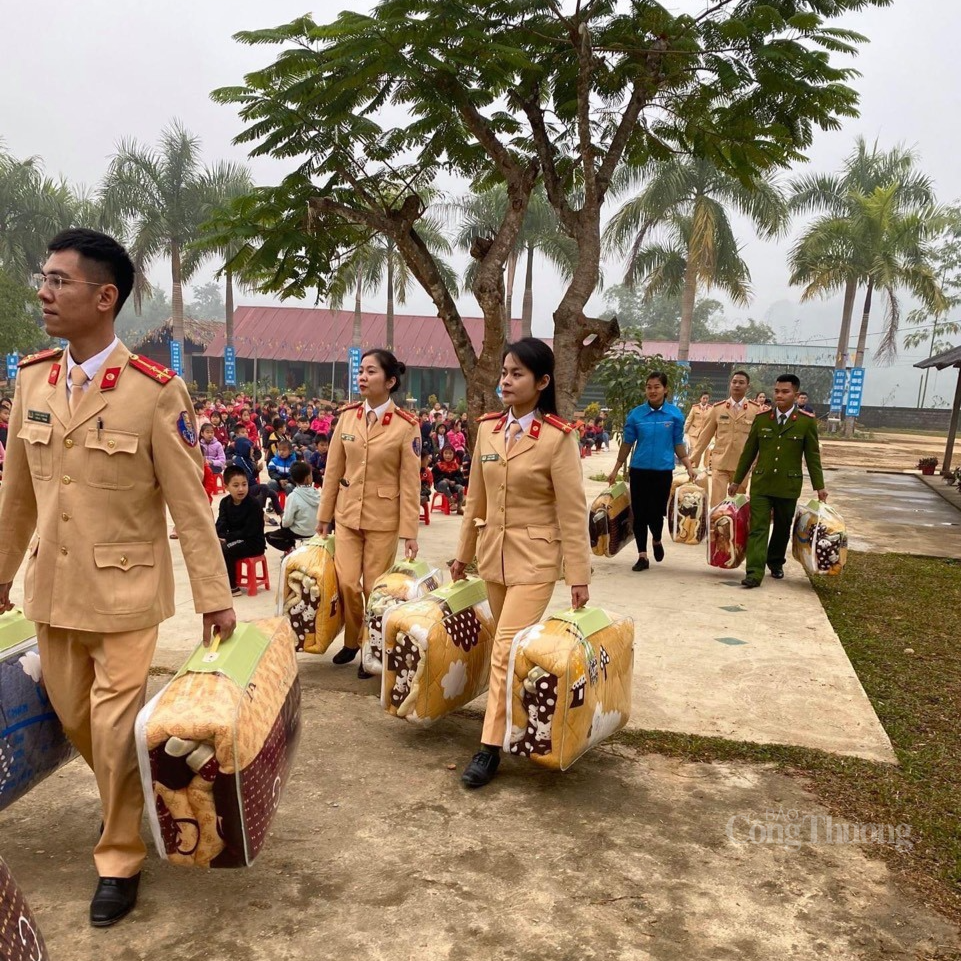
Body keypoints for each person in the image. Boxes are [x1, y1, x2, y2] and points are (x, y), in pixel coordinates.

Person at [0, 228, 235, 927]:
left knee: (110, 728)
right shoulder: (33, 378)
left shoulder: (156, 391)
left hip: (128, 594)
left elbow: (191, 505)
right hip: (53, 592)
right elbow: (17, 495)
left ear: (105, 298)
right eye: (43, 278)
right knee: (80, 720)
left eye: (59, 281)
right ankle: (128, 800)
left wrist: (216, 599)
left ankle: (120, 855)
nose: (43, 292)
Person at [452, 337, 591, 789]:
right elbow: (476, 498)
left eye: (516, 374)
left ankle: (489, 747)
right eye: (504, 373)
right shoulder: (488, 430)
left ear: (542, 381)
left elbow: (572, 511)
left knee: (505, 648)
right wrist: (463, 554)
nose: (506, 381)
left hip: (536, 561)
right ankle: (520, 721)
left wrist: (579, 575)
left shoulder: (557, 438)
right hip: (493, 557)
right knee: (508, 651)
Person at [316, 348, 421, 679]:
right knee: (347, 582)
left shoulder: (406, 427)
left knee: (374, 590)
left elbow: (410, 482)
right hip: (347, 515)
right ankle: (352, 640)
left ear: (390, 381)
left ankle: (370, 649)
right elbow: (333, 470)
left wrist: (410, 533)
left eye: (371, 372)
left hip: (383, 519)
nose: (362, 376)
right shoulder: (348, 417)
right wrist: (324, 515)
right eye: (361, 371)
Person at [730, 373, 827, 588]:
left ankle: (775, 561)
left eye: (785, 392)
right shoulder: (763, 418)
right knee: (758, 527)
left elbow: (812, 457)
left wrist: (819, 487)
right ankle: (754, 571)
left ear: (796, 394)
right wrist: (737, 480)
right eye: (777, 391)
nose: (780, 396)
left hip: (788, 485)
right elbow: (748, 452)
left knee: (783, 527)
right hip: (762, 483)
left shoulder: (805, 423)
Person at [607, 372, 697, 572]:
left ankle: (656, 539)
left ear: (665, 390)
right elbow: (627, 444)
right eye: (649, 387)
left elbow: (678, 444)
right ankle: (642, 556)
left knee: (656, 514)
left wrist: (689, 465)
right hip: (639, 471)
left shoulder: (674, 415)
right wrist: (615, 469)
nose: (652, 391)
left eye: (657, 387)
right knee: (639, 514)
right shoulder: (636, 415)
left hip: (662, 472)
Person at [690, 371, 762, 508]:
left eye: (741, 383)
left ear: (748, 386)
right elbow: (704, 437)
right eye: (734, 382)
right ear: (730, 384)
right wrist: (693, 459)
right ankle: (715, 529)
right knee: (717, 504)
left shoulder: (755, 410)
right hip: (720, 464)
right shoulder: (718, 409)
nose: (737, 385)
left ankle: (733, 530)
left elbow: (761, 440)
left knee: (737, 506)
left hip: (742, 465)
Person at [217, 465, 267, 594]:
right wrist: (217, 536)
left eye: (244, 484)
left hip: (253, 542)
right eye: (236, 485)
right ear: (226, 486)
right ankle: (218, 582)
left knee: (226, 549)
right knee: (214, 546)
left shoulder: (253, 504)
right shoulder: (225, 503)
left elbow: (249, 531)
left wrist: (226, 538)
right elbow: (221, 524)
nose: (241, 489)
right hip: (237, 540)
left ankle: (233, 586)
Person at [266, 461, 318, 553]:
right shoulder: (317, 494)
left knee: (271, 535)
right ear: (308, 478)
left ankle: (290, 549)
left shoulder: (293, 496)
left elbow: (287, 522)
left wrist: (283, 522)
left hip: (299, 532)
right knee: (287, 527)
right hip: (316, 531)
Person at [432, 444, 468, 514]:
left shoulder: (456, 466)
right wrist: (444, 479)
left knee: (460, 488)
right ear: (442, 454)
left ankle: (459, 507)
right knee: (444, 483)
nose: (448, 455)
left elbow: (462, 479)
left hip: (452, 486)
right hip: (441, 486)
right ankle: (451, 502)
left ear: (453, 454)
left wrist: (455, 481)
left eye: (450, 453)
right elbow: (433, 478)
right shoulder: (438, 466)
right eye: (446, 453)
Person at [684, 391, 712, 466]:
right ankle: (692, 467)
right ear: (700, 399)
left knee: (702, 451)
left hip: (704, 433)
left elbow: (712, 421)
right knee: (694, 450)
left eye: (707, 398)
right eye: (704, 398)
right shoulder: (695, 408)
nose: (705, 400)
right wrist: (685, 431)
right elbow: (689, 420)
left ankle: (698, 467)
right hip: (694, 432)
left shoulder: (711, 409)